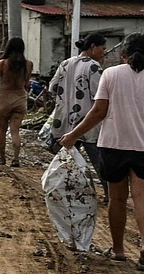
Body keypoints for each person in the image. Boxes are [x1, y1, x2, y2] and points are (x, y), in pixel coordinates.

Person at [58, 33, 144, 264]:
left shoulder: (110, 74)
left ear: (123, 55)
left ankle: (118, 250)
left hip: (113, 145)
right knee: (142, 198)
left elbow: (98, 112)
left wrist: (74, 135)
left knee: (117, 199)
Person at [46, 33, 108, 181]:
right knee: (100, 164)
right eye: (103, 48)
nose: (104, 52)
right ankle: (110, 197)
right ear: (93, 47)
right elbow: (100, 95)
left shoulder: (66, 63)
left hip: (65, 121)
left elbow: (52, 88)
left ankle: (60, 192)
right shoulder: (93, 67)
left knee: (64, 164)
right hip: (87, 122)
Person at [0, 36, 32, 167]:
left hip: (4, 99)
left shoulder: (3, 63)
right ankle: (16, 159)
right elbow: (27, 82)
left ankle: (2, 159)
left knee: (2, 130)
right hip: (20, 98)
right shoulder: (28, 64)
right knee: (15, 131)